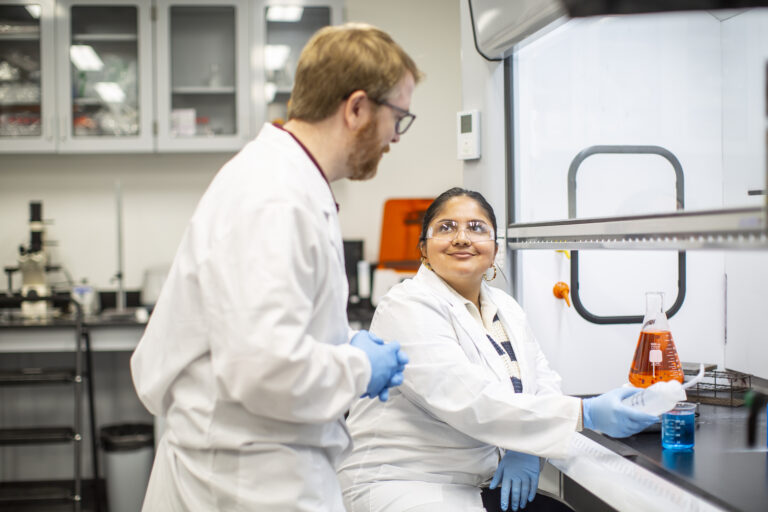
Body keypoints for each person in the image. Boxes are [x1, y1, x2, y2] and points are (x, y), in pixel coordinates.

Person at [130, 23, 419, 511]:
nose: (395, 135)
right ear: (356, 108)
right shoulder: (275, 197)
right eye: (399, 117)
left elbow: (271, 328)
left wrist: (344, 342)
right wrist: (359, 365)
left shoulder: (290, 179)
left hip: (256, 462)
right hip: (244, 478)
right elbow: (263, 368)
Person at [337, 188, 659, 512]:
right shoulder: (406, 306)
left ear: (494, 250)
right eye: (446, 227)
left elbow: (543, 381)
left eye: (477, 228)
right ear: (423, 249)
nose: (462, 238)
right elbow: (468, 400)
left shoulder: (506, 308)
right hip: (406, 486)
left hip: (479, 484)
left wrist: (531, 449)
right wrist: (583, 413)